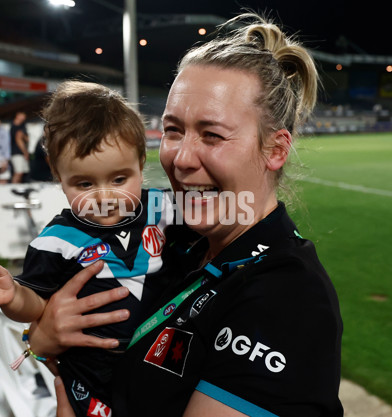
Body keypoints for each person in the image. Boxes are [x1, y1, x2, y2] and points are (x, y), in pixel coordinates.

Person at [27, 13, 343, 417]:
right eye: (173, 130)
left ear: (276, 150)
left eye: (212, 135)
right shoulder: (174, 234)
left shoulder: (288, 295)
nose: (181, 157)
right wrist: (42, 335)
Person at [0, 81, 183, 416]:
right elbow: (36, 304)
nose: (104, 196)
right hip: (92, 372)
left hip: (161, 361)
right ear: (58, 174)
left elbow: (221, 218)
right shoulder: (56, 240)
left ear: (142, 164)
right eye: (84, 183)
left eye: (118, 180)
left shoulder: (165, 208)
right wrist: (12, 297)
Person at [9, 111, 29, 183]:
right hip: (17, 152)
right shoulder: (16, 127)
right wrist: (25, 152)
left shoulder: (20, 126)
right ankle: (13, 187)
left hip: (18, 153)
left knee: (21, 172)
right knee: (18, 172)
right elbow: (19, 140)